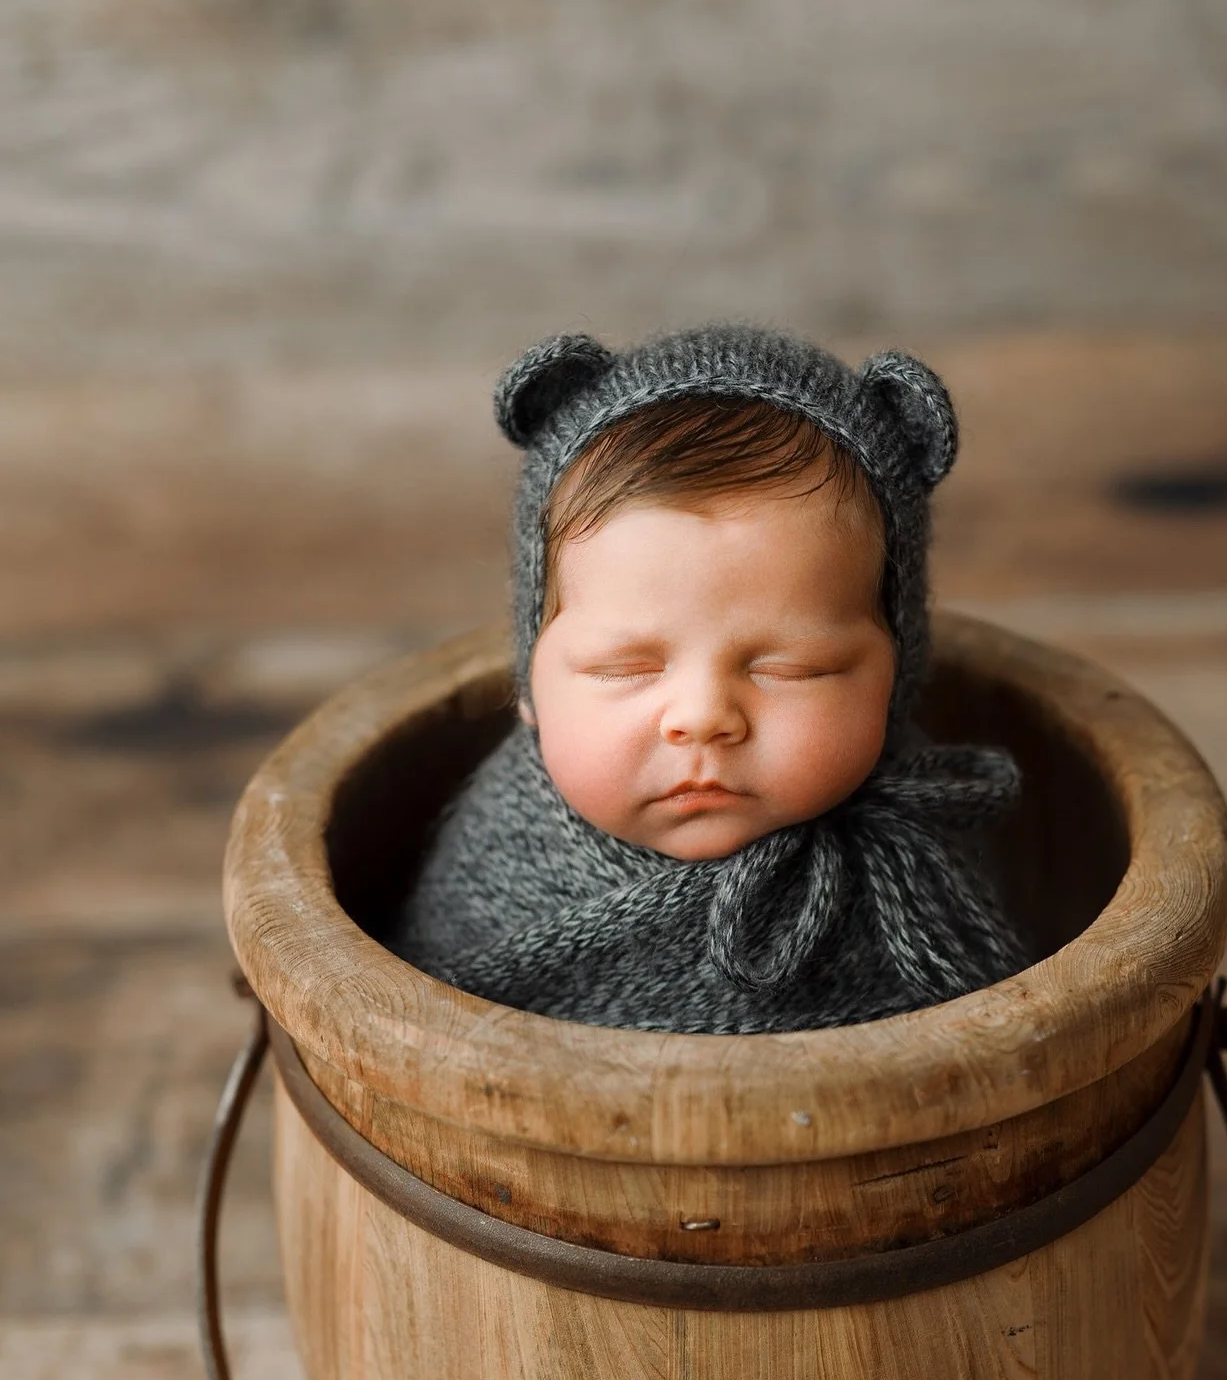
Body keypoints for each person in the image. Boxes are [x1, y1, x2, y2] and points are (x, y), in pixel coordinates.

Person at [391, 325, 1026, 1033]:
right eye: (623, 668)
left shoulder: (918, 865)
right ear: (532, 688)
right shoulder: (496, 867)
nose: (702, 717)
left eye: (794, 668)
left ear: (896, 674)